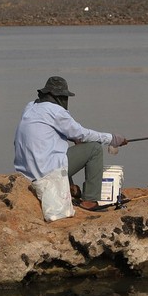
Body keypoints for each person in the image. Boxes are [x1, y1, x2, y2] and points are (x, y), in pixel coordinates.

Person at [14, 75, 127, 218]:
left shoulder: (30, 107)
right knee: (94, 149)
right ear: (58, 97)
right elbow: (82, 134)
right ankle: (89, 201)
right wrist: (112, 139)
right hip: (45, 172)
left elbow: (48, 132)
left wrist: (72, 137)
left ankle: (71, 189)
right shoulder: (56, 111)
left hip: (25, 174)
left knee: (59, 149)